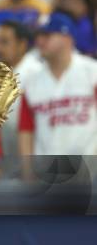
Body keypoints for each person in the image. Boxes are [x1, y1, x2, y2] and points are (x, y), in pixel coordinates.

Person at [19, 13, 97, 156]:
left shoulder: (92, 72)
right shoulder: (30, 81)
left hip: (90, 171)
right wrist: (28, 174)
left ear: (67, 38)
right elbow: (26, 132)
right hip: (47, 174)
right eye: (38, 36)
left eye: (47, 36)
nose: (39, 41)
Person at [0, 20, 41, 160]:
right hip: (9, 156)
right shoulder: (2, 74)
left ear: (22, 44)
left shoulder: (35, 72)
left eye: (4, 42)